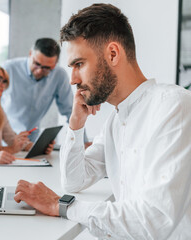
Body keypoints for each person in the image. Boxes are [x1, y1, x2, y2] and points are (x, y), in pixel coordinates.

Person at [14, 3, 191, 239]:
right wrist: (76, 125)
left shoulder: (173, 106)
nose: (73, 80)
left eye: (79, 64)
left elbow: (154, 221)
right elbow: (74, 181)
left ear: (113, 54)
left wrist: (62, 206)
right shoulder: (116, 121)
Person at [1, 38, 88, 143]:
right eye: (36, 64)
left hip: (32, 141)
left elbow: (70, 111)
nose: (39, 71)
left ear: (55, 64)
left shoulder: (58, 75)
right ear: (30, 54)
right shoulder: (8, 69)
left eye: (46, 68)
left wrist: (83, 142)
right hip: (5, 139)